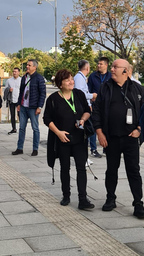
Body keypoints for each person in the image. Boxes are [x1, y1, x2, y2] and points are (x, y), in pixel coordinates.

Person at [93, 58, 144, 219]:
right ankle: (111, 198)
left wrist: (139, 130)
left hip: (131, 137)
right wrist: (99, 132)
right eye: (112, 66)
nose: (112, 69)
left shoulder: (137, 89)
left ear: (126, 71)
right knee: (111, 169)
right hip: (111, 137)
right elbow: (96, 111)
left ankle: (138, 203)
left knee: (134, 171)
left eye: (116, 67)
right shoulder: (105, 88)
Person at [43, 69, 94, 210]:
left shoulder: (79, 94)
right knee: (65, 168)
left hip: (79, 137)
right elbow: (47, 119)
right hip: (62, 138)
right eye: (67, 80)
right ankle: (66, 195)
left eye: (71, 79)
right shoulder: (53, 99)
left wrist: (83, 119)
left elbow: (87, 111)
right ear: (60, 84)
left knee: (81, 168)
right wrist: (58, 133)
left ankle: (83, 199)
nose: (71, 82)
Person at [12, 59, 46, 156]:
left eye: (29, 65)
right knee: (22, 128)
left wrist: (39, 107)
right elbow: (21, 91)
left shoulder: (39, 78)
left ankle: (35, 149)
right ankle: (19, 148)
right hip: (23, 107)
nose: (27, 66)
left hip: (33, 107)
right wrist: (19, 104)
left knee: (35, 128)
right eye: (27, 65)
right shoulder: (24, 77)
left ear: (34, 67)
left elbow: (42, 94)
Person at [87, 56, 112, 158]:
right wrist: (91, 98)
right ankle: (93, 149)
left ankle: (107, 148)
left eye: (101, 64)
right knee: (94, 127)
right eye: (98, 64)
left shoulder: (110, 76)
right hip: (95, 105)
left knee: (107, 126)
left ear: (106, 65)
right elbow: (88, 89)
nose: (98, 65)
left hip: (107, 105)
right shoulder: (93, 76)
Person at [73, 60, 97, 166]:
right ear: (87, 68)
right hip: (81, 109)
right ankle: (82, 158)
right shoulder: (79, 78)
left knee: (86, 133)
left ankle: (85, 157)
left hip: (85, 107)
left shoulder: (81, 78)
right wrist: (92, 96)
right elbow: (80, 94)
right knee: (83, 133)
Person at [5, 67, 22, 134]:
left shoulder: (21, 80)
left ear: (18, 72)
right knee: (12, 114)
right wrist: (9, 90)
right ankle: (13, 128)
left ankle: (21, 128)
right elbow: (5, 89)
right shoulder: (9, 80)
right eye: (13, 71)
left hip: (19, 100)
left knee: (20, 114)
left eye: (16, 71)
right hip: (11, 99)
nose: (14, 73)